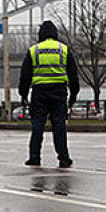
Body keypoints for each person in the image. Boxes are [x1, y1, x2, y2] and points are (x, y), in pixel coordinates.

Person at [19, 21, 79, 168]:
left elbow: (25, 76)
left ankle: (34, 157)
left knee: (37, 125)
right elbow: (73, 75)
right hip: (59, 92)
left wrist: (23, 94)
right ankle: (63, 157)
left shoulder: (34, 50)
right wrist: (73, 95)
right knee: (59, 126)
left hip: (39, 92)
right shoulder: (64, 49)